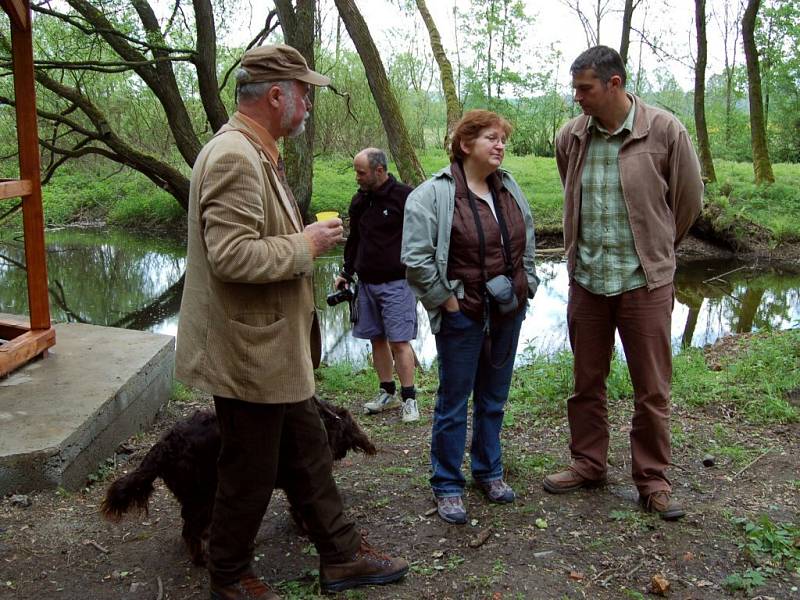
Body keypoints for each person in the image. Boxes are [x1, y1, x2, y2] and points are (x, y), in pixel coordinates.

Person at [174, 44, 408, 599]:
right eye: (304, 94)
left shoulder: (260, 151)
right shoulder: (234, 155)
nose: (308, 104)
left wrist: (300, 242)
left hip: (276, 350)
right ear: (277, 95)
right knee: (249, 469)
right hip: (250, 353)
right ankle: (228, 576)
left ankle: (342, 556)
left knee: (308, 453)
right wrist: (303, 245)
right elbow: (231, 257)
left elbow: (255, 240)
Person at [543, 45, 703, 520]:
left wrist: (658, 250)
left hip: (644, 285)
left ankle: (652, 480)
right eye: (575, 89)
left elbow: (689, 201)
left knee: (651, 389)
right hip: (588, 282)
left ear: (615, 84)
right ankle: (588, 464)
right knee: (586, 381)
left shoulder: (665, 130)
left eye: (585, 88)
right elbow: (569, 193)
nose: (577, 98)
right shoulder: (571, 137)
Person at [401, 110, 539, 525]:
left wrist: (526, 284)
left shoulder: (508, 186)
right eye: (491, 139)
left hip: (507, 311)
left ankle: (488, 471)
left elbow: (527, 237)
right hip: (463, 316)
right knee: (453, 402)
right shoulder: (432, 195)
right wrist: (447, 302)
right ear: (465, 144)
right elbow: (416, 259)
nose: (500, 146)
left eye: (502, 140)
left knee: (494, 399)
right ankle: (447, 483)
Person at [334, 148, 420, 423]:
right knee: (377, 339)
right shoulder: (359, 201)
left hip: (398, 283)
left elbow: (422, 236)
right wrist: (347, 272)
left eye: (361, 172)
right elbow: (354, 240)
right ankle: (387, 392)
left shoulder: (405, 197)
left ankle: (409, 399)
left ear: (379, 171)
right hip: (366, 284)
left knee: (399, 341)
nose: (357, 178)